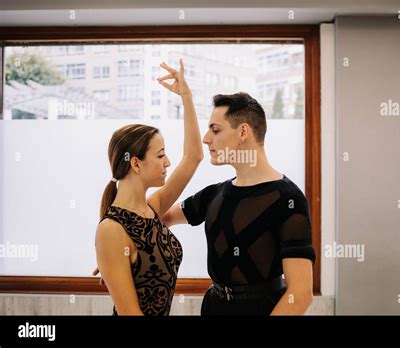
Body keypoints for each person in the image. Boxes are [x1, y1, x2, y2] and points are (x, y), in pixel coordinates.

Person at [157, 92, 316, 315]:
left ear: (243, 132)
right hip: (213, 308)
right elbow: (160, 217)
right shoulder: (216, 193)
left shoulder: (289, 200)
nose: (206, 138)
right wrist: (118, 247)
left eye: (215, 130)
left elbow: (299, 294)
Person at [95, 59, 203, 315]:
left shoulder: (152, 209)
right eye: (160, 155)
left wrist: (186, 96)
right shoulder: (111, 230)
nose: (168, 162)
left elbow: (193, 157)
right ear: (136, 163)